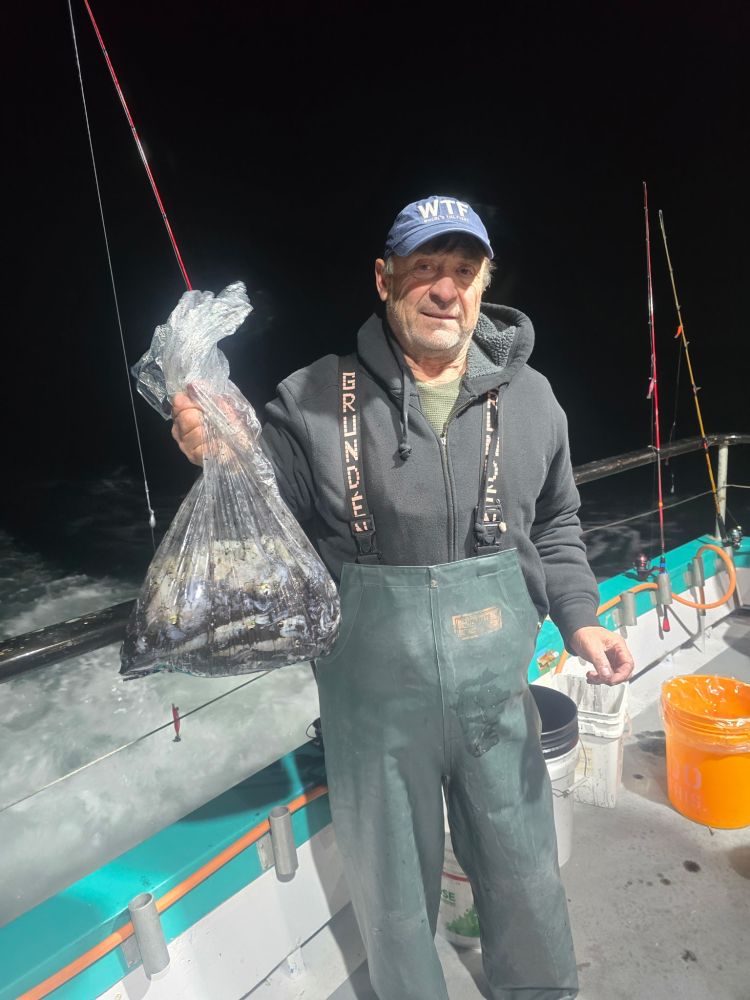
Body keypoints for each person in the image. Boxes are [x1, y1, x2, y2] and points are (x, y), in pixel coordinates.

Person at [172, 194, 634, 1000]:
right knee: (393, 898)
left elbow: (557, 522)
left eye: (463, 270)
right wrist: (221, 447)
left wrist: (583, 619)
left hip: (498, 694)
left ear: (485, 284)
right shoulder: (313, 395)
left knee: (526, 871)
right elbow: (262, 495)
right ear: (385, 278)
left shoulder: (535, 402)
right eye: (425, 268)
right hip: (373, 708)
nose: (445, 289)